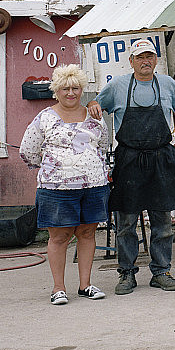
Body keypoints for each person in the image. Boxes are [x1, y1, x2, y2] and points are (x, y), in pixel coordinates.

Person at [88, 38, 175, 295]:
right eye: (140, 57)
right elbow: (96, 107)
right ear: (131, 61)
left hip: (161, 159)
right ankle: (126, 274)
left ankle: (161, 271)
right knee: (126, 222)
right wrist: (92, 103)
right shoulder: (118, 85)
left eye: (150, 56)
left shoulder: (167, 84)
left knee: (162, 221)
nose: (145, 61)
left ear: (155, 59)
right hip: (130, 159)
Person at [20, 64, 110, 305]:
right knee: (59, 237)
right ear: (56, 91)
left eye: (76, 88)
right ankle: (58, 288)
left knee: (87, 232)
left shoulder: (95, 118)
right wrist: (56, 167)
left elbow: (103, 146)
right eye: (65, 88)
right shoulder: (45, 118)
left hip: (93, 186)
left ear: (82, 90)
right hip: (56, 189)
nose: (71, 93)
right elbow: (28, 151)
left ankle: (86, 285)